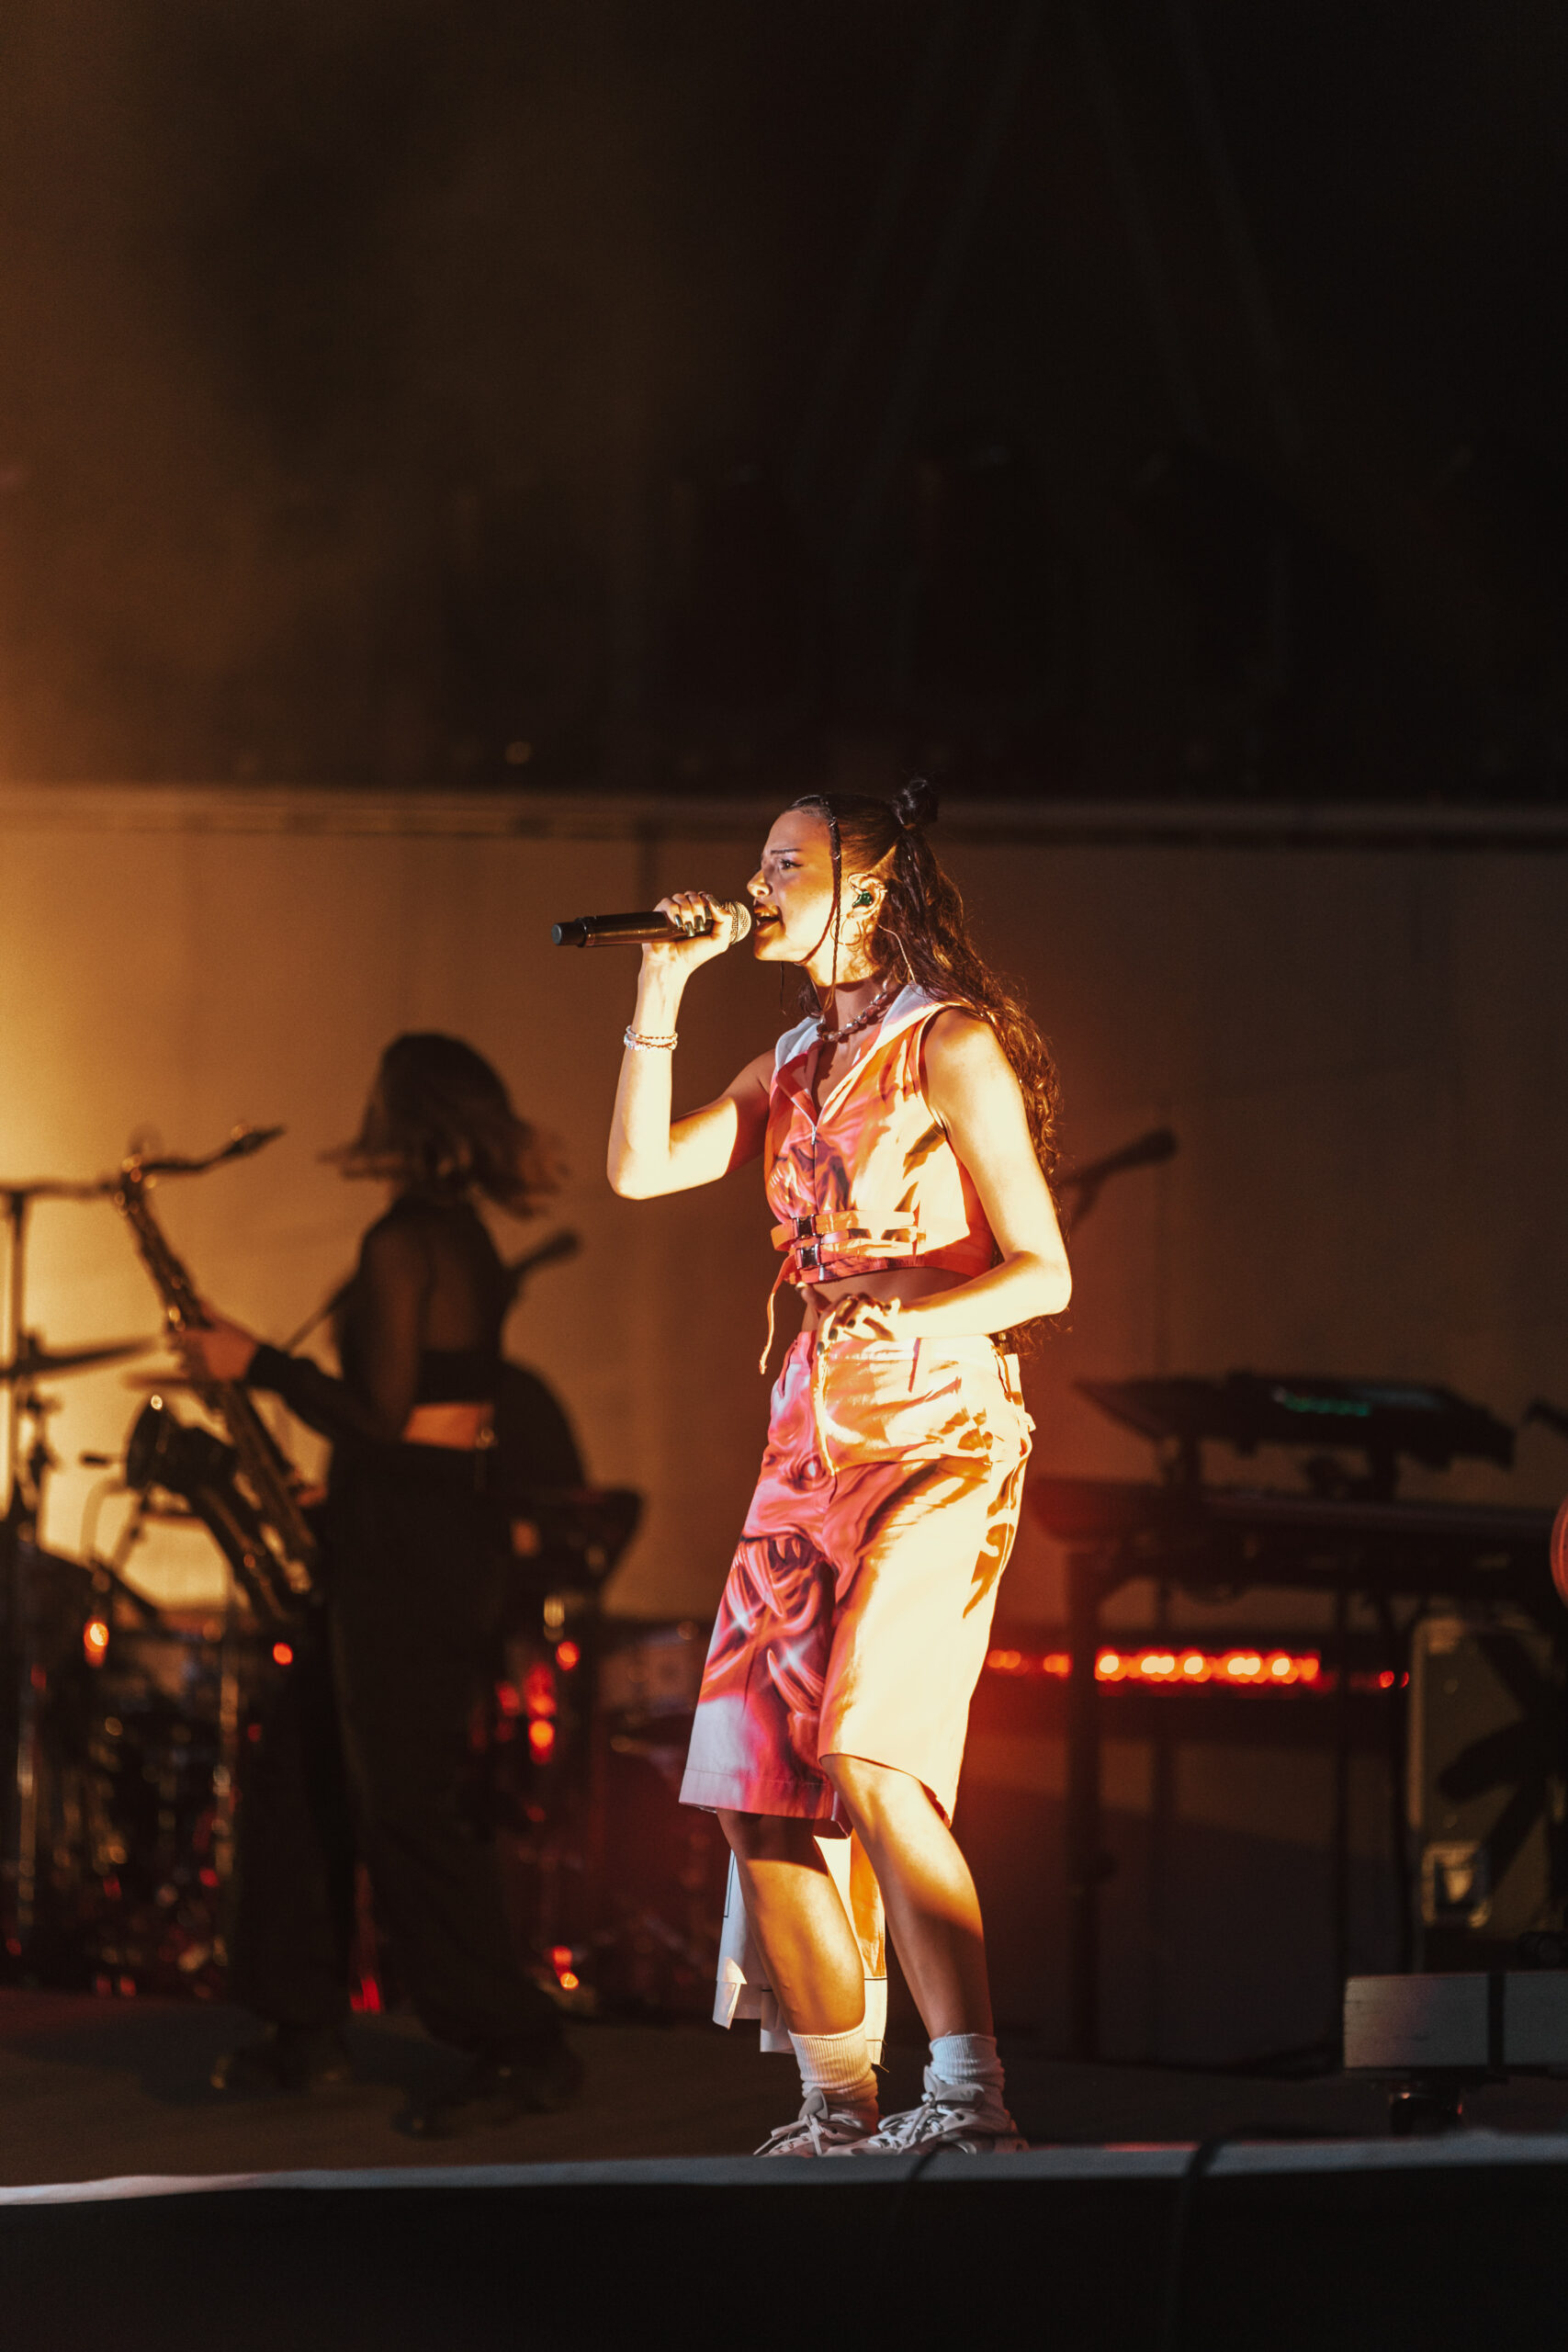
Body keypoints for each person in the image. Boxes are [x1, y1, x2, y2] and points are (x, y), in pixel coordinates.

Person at [606, 778, 1071, 2156]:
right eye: (757, 861)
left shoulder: (948, 1045)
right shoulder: (793, 1060)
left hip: (940, 1438)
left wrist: (907, 1315)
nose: (757, 886)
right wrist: (660, 984)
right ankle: (835, 2107)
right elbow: (638, 1171)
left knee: (869, 1747)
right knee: (752, 1783)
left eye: (785, 865)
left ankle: (969, 2096)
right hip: (807, 1448)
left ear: (864, 891)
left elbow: (1042, 1271)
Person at [182, 1033, 581, 2132]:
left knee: (404, 1802)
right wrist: (345, 1490)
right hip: (413, 1520)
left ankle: (518, 2042)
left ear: (401, 1116)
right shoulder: (461, 1235)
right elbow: (427, 1421)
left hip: (409, 1542)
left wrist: (256, 1363)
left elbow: (380, 1411)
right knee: (300, 1770)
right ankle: (301, 2023)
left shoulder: (403, 1239)